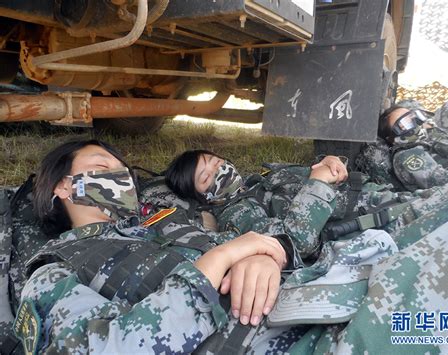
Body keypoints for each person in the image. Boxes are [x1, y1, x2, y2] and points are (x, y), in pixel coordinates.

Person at [12, 140, 292, 354]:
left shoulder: (162, 222)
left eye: (123, 172)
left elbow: (246, 246)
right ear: (63, 187)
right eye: (101, 168)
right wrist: (219, 261)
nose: (119, 177)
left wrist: (262, 257)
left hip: (302, 296)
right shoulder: (53, 271)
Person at [165, 150, 348, 259]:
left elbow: (315, 169)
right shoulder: (236, 215)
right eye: (206, 177)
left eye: (216, 162)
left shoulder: (260, 179)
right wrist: (319, 183)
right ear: (202, 198)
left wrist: (330, 162)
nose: (218, 170)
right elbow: (295, 242)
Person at [357, 99, 448, 191]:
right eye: (405, 123)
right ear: (392, 138)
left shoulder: (424, 140)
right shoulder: (407, 155)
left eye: (413, 116)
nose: (415, 123)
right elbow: (444, 180)